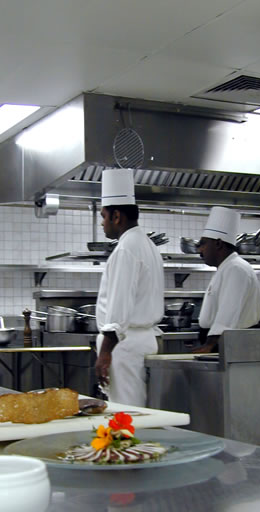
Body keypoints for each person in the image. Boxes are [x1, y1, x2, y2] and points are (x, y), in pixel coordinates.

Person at [95, 169, 164, 406]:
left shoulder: (126, 249)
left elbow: (119, 306)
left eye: (104, 216)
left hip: (124, 346)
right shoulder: (147, 244)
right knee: (138, 409)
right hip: (141, 341)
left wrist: (105, 353)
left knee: (126, 412)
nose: (102, 223)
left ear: (116, 216)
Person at [193, 206, 260, 354]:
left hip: (229, 343)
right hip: (222, 341)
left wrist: (210, 345)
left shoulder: (236, 269)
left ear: (218, 244)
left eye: (203, 244)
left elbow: (227, 313)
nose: (200, 250)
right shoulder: (226, 268)